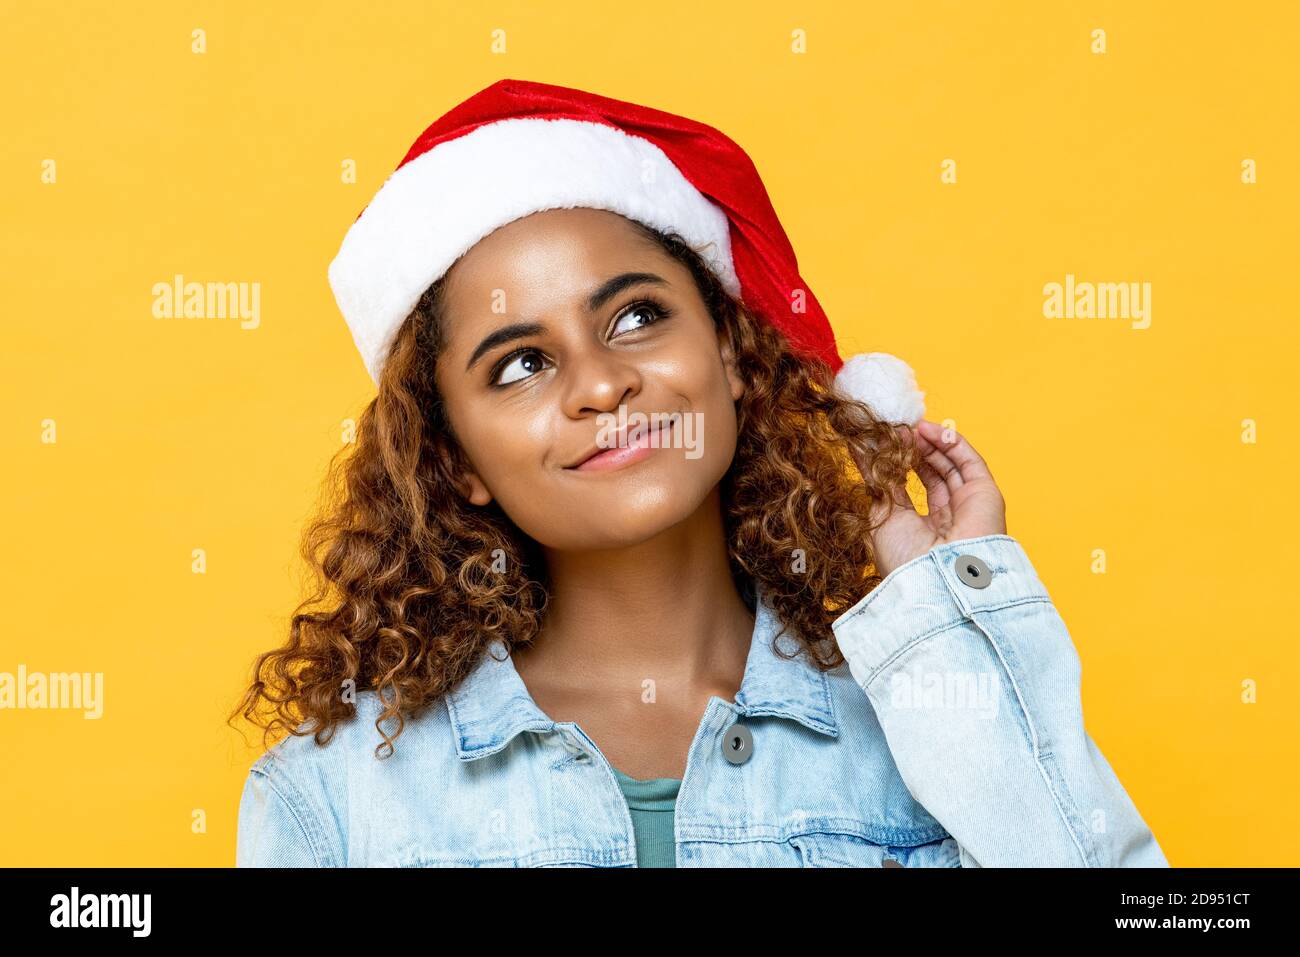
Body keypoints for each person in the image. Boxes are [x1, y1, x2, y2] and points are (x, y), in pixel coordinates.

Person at [230, 78, 1168, 868]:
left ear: (729, 353)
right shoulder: (334, 800)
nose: (602, 383)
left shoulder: (923, 722)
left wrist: (947, 625)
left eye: (635, 315)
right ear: (454, 460)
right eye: (521, 362)